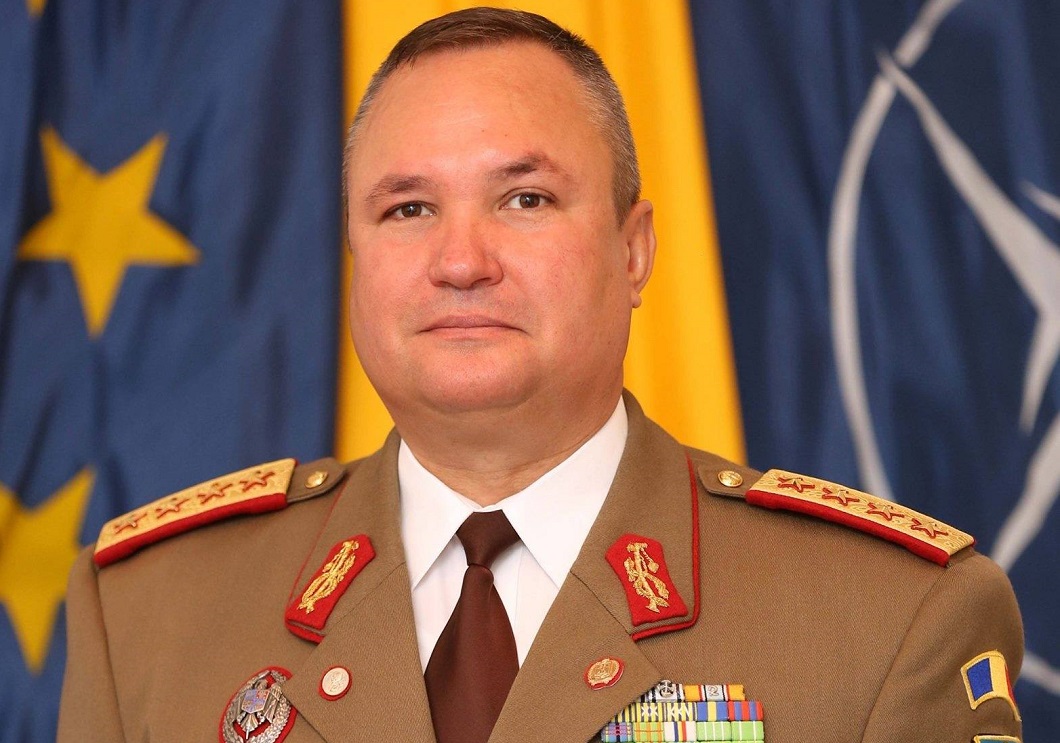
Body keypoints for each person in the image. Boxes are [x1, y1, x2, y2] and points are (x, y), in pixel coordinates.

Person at [58, 8, 1024, 743]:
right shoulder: (148, 616)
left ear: (634, 251)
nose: (460, 261)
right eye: (407, 209)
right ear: (352, 254)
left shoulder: (888, 623)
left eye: (524, 199)